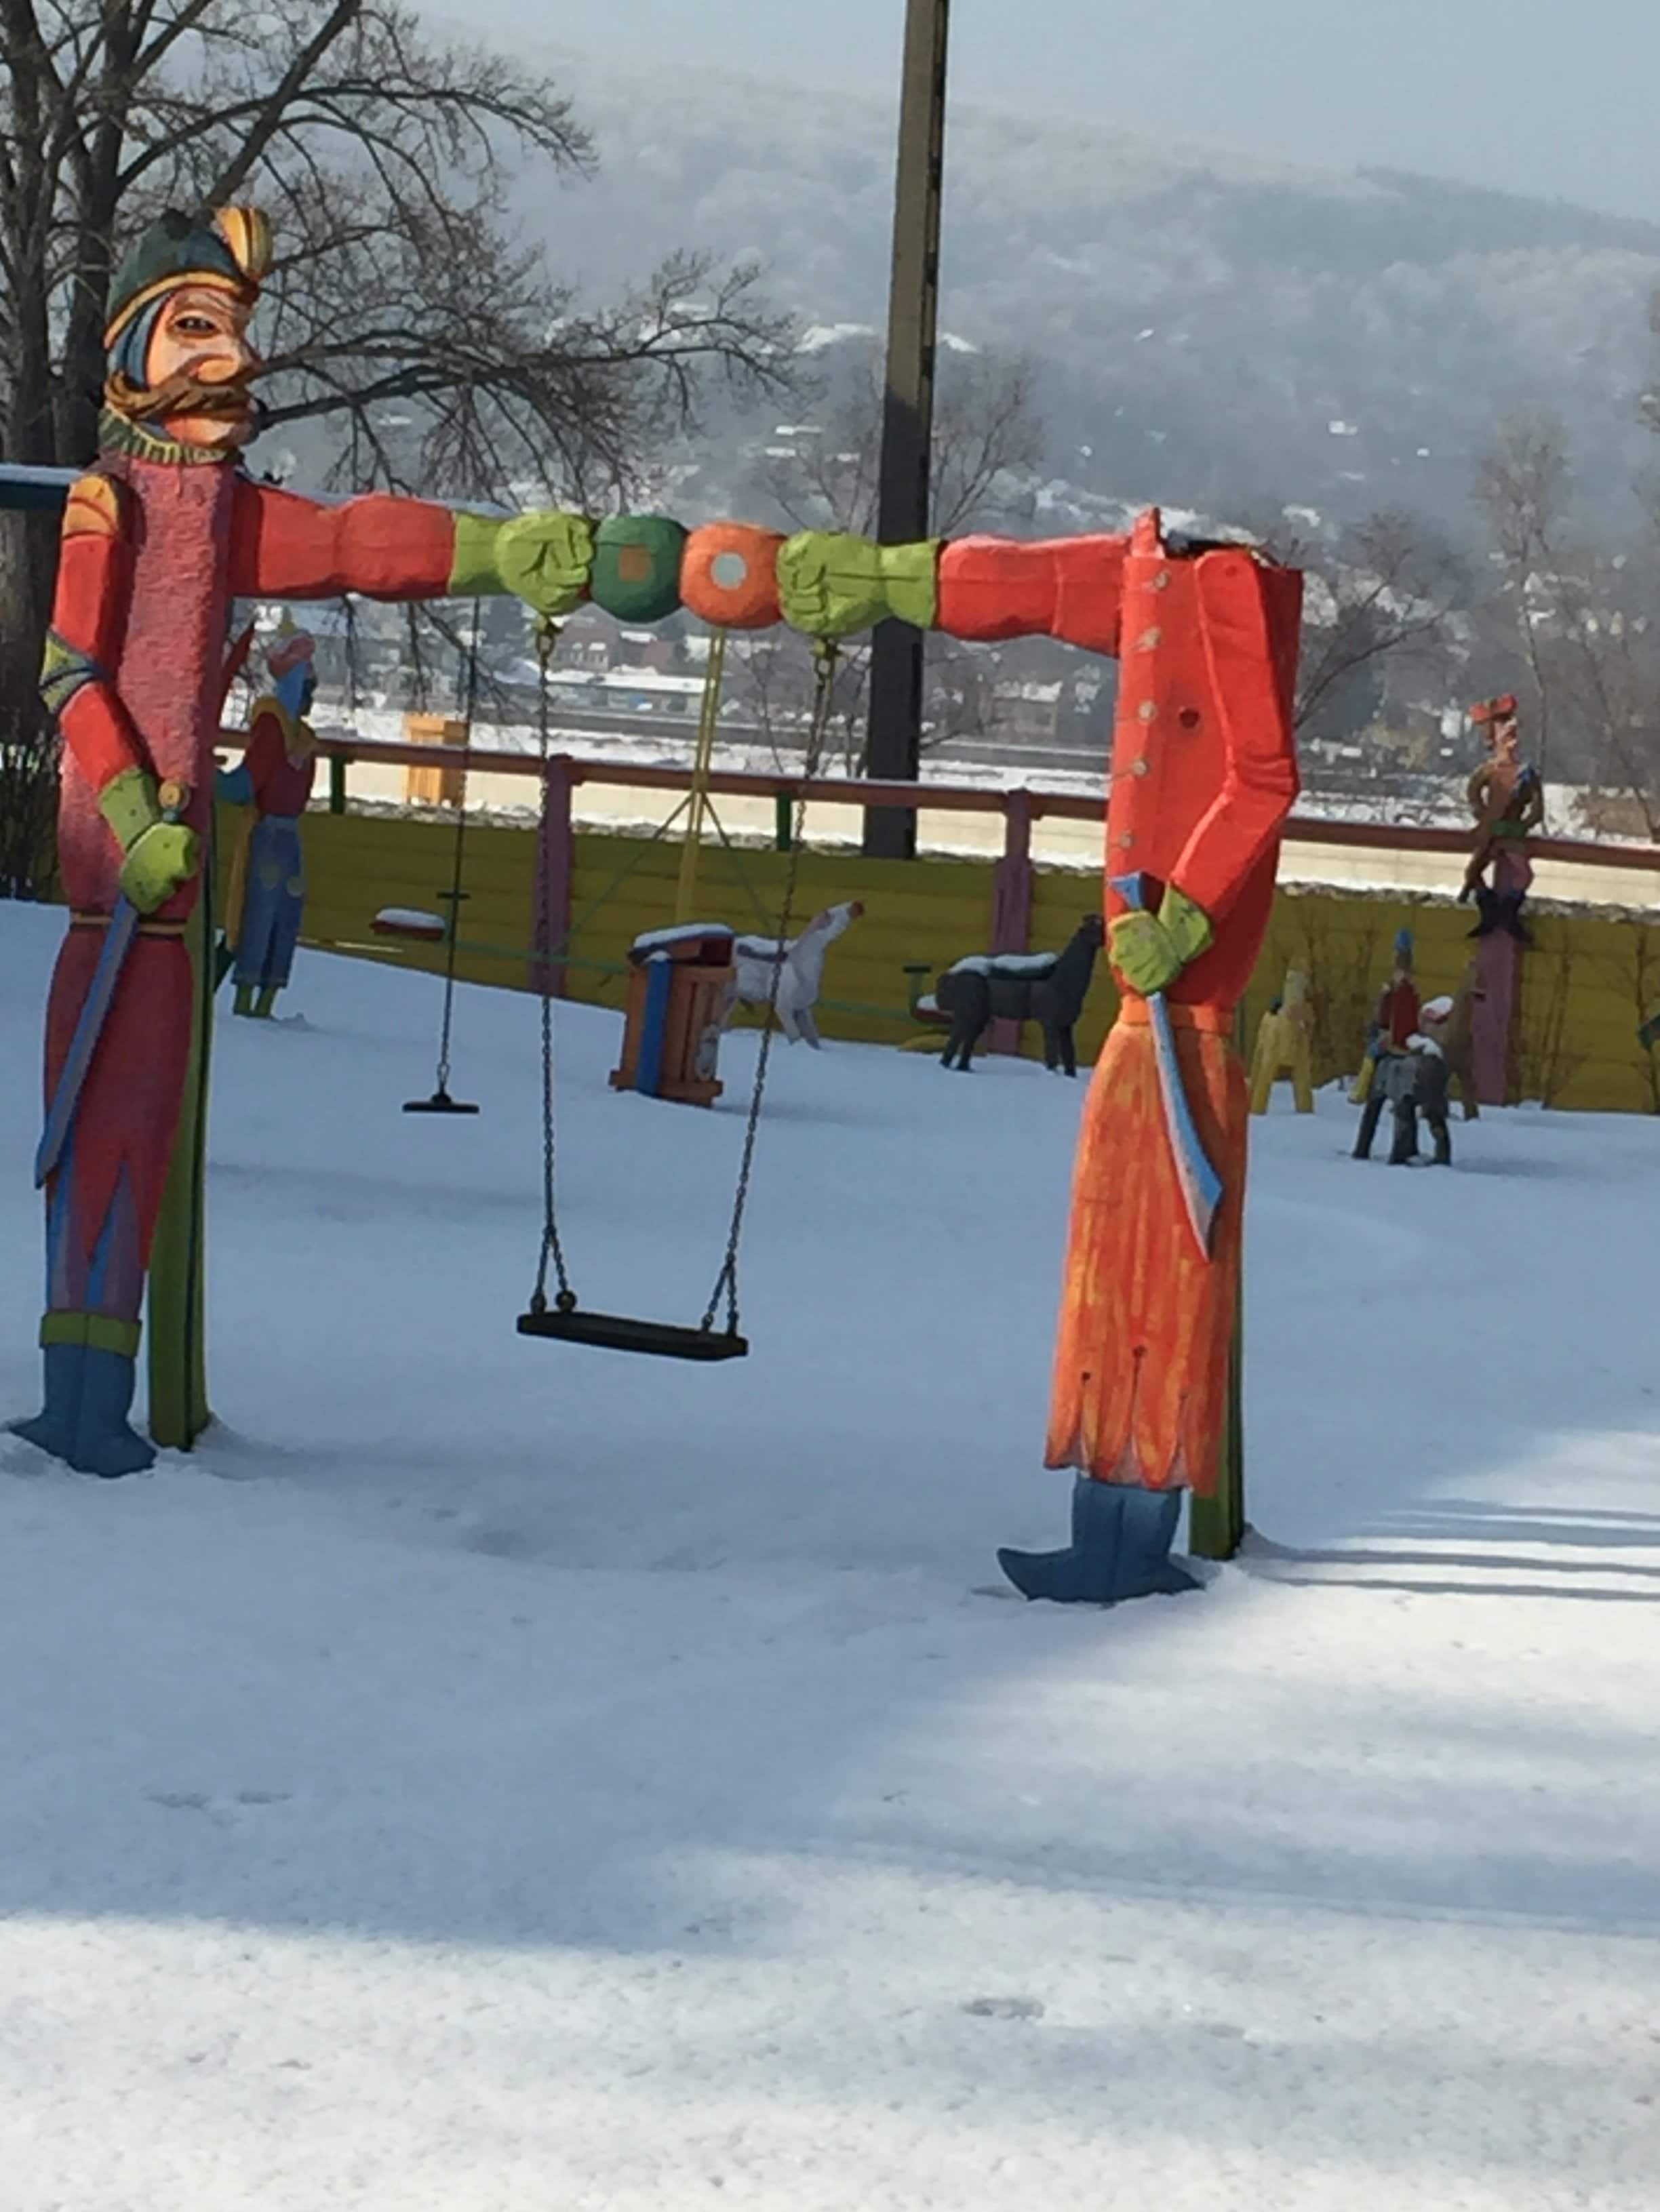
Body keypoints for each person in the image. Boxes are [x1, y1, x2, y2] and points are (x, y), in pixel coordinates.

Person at [12, 203, 593, 1477]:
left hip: (171, 910)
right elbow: (69, 669)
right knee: (94, 1138)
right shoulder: (110, 501)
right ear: (133, 346)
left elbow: (347, 543)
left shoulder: (221, 510)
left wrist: (498, 551)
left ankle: (98, 1401)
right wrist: (128, 812)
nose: (233, 356)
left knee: (142, 1130)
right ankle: (78, 1403)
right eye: (198, 326)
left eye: (237, 328)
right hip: (117, 887)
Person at [997, 510, 1303, 1605]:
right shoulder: (1146, 582)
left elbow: (1264, 775)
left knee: (1158, 1293)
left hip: (1183, 1026)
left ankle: (1129, 1545)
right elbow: (1026, 587)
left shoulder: (1225, 594)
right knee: (1106, 1289)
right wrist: (875, 579)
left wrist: (1186, 916)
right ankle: (1101, 1533)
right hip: (1142, 1033)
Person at [217, 618, 319, 1019]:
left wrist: (211, 779)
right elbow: (257, 784)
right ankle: (256, 1002)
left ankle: (255, 1001)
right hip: (284, 836)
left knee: (268, 916)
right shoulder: (289, 735)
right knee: (270, 915)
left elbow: (246, 784)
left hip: (274, 836)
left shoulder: (286, 734)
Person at [1461, 693, 1542, 941]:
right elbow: (1473, 793)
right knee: (1473, 873)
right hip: (1490, 832)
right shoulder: (1488, 771)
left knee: (1523, 875)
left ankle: (1508, 912)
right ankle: (1489, 909)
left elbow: (1537, 809)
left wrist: (1520, 826)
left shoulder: (1526, 774)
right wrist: (1484, 816)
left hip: (1511, 834)